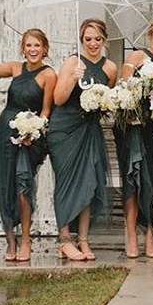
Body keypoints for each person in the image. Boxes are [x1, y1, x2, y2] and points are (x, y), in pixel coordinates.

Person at [47, 19, 118, 261]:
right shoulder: (72, 62)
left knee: (89, 183)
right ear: (81, 40)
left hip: (89, 129)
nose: (93, 44)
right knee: (67, 183)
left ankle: (84, 239)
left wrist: (103, 103)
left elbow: (109, 101)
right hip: (64, 129)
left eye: (97, 39)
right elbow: (58, 98)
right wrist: (71, 78)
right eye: (88, 39)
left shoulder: (110, 68)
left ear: (104, 40)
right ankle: (65, 239)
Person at [0, 29, 56, 262]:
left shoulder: (49, 75)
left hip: (30, 136)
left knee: (23, 184)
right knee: (4, 185)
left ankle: (25, 238)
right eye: (28, 46)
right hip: (5, 133)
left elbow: (46, 110)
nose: (33, 50)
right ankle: (10, 241)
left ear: (44, 49)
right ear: (23, 48)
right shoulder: (16, 68)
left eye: (37, 45)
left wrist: (34, 132)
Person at [114, 15, 153, 258]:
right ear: (150, 34)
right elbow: (124, 85)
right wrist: (145, 83)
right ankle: (130, 234)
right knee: (132, 179)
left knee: (151, 180)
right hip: (130, 124)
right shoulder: (137, 56)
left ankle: (150, 233)